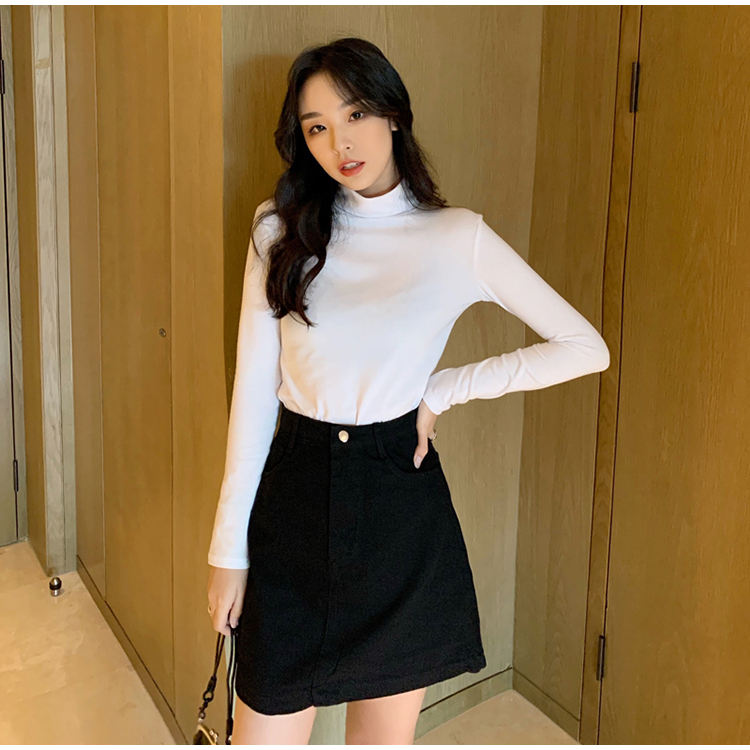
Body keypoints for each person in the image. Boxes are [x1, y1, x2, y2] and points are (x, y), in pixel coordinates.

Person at [207, 37, 610, 744]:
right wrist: (227, 554)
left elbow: (585, 347)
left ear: (393, 112)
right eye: (317, 127)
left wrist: (444, 389)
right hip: (293, 501)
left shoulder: (456, 238)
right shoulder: (279, 230)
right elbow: (252, 398)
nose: (340, 142)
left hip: (398, 511)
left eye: (356, 114)